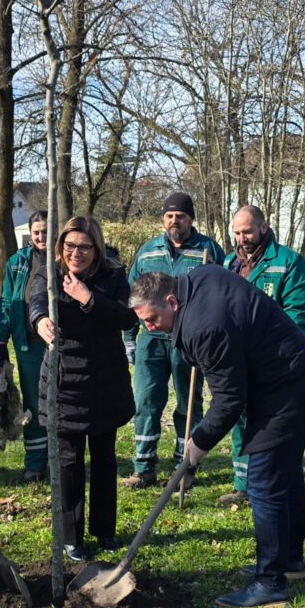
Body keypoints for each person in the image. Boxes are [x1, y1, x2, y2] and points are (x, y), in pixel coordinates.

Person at [129, 267, 305, 608]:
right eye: (143, 321)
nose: (149, 328)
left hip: (285, 390)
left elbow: (229, 400)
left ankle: (270, 583)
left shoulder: (203, 327)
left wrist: (199, 442)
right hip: (294, 375)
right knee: (285, 475)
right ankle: (289, 560)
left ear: (172, 301)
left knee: (263, 484)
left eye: (152, 319)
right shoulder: (199, 278)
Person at [30, 216, 136, 561]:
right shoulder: (50, 273)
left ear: (97, 248)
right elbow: (36, 301)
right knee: (68, 462)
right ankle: (71, 536)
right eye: (70, 245)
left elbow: (127, 317)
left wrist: (88, 298)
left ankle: (104, 530)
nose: (76, 253)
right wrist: (39, 321)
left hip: (104, 380)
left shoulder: (114, 275)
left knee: (104, 460)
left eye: (84, 247)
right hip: (64, 380)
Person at [122, 192, 227, 489]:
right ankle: (143, 467)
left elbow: (222, 293)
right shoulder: (148, 252)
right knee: (146, 401)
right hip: (151, 340)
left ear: (191, 219)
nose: (174, 221)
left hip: (190, 339)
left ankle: (185, 467)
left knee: (188, 403)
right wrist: (129, 338)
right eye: (169, 216)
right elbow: (132, 298)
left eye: (180, 216)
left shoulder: (208, 250)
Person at [219, 205, 305, 512]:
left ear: (263, 227)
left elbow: (297, 314)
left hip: (274, 360)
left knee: (268, 424)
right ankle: (242, 484)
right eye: (236, 232)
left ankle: (269, 482)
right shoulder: (229, 263)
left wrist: (272, 349)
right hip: (237, 357)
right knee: (238, 416)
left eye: (247, 232)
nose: (241, 238)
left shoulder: (288, 262)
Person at [0, 210, 49, 482]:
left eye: (46, 231)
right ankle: (36, 463)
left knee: (61, 400)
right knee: (34, 403)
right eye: (36, 232)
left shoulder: (64, 257)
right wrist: (1, 340)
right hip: (28, 344)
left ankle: (61, 457)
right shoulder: (18, 262)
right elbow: (7, 301)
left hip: (60, 344)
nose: (41, 236)